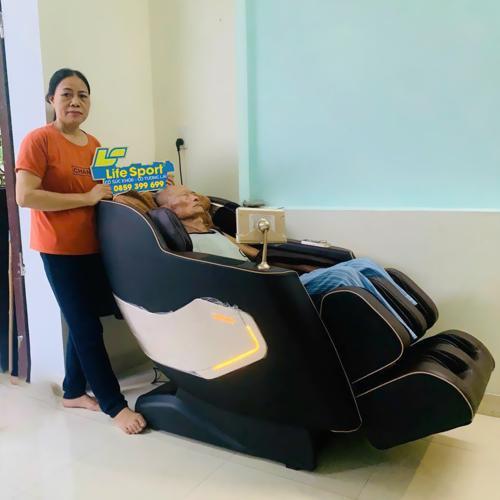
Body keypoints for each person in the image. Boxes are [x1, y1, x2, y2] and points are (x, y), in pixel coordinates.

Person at [15, 68, 146, 434]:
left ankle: (73, 391)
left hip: (94, 246)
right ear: (51, 100)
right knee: (86, 326)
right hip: (58, 249)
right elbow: (25, 195)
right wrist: (85, 198)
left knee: (85, 318)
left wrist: (142, 184)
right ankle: (113, 405)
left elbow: (103, 190)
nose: (75, 101)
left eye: (83, 95)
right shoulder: (38, 140)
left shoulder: (94, 145)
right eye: (67, 94)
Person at [155, 185, 418, 339]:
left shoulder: (216, 233)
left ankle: (408, 317)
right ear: (167, 211)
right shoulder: (187, 247)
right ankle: (394, 332)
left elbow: (258, 255)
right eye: (184, 196)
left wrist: (305, 265)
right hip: (262, 293)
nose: (194, 197)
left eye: (192, 193)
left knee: (363, 265)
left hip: (274, 280)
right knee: (343, 277)